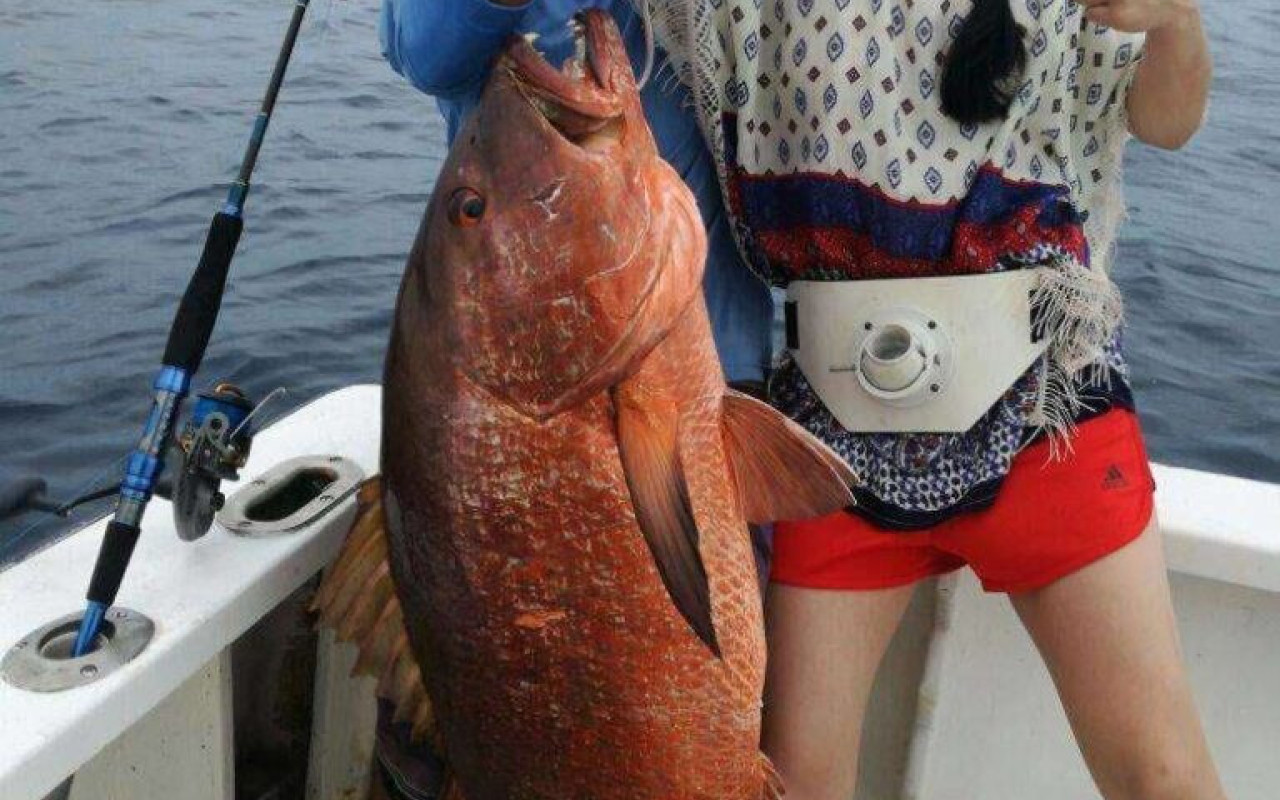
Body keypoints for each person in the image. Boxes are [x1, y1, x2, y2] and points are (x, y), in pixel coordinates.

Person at [378, 2, 1220, 800]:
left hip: (1047, 408)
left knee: (1164, 774)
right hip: (826, 428)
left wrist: (1178, 17)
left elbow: (1164, 117)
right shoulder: (677, 39)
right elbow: (429, 45)